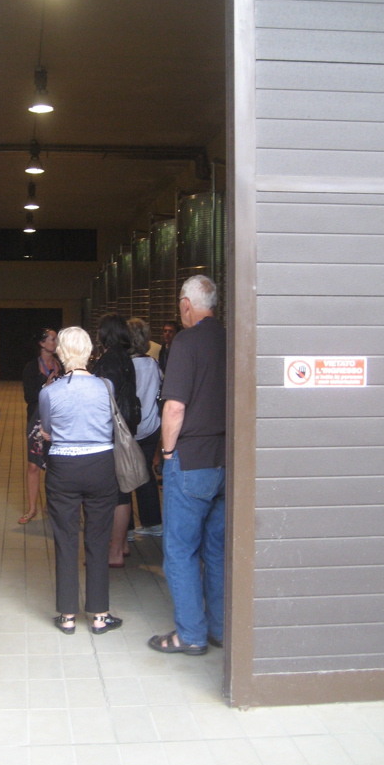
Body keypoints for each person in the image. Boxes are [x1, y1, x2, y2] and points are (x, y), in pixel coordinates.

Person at [148, 275, 226, 655]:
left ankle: (191, 635)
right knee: (217, 550)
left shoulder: (185, 341)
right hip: (228, 461)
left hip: (191, 461)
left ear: (186, 305)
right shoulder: (232, 339)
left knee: (180, 550)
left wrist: (166, 455)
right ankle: (221, 629)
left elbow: (174, 408)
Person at [39, 327, 122, 636]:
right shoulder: (106, 386)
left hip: (63, 468)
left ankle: (67, 616)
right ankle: (100, 615)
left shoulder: (49, 392)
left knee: (66, 540)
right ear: (89, 352)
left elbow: (47, 431)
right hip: (101, 466)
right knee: (98, 540)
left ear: (61, 353)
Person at [91, 313, 141, 567]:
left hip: (111, 432)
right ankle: (121, 545)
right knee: (123, 489)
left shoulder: (110, 359)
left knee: (116, 493)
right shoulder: (125, 357)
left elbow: (104, 397)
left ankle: (113, 551)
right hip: (125, 428)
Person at [20, 328, 62, 524]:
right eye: (52, 339)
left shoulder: (61, 365)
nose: (55, 342)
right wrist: (46, 386)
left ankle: (50, 504)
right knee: (33, 464)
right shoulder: (31, 367)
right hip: (36, 419)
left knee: (55, 464)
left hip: (57, 419)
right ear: (42, 343)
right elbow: (29, 396)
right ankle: (32, 508)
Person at [127, 318, 163, 536]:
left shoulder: (126, 365)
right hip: (152, 427)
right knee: (146, 473)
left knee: (124, 476)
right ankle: (153, 523)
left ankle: (127, 529)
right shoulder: (153, 364)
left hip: (131, 429)